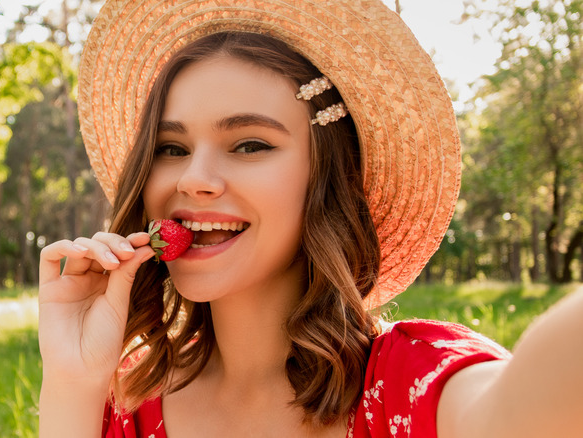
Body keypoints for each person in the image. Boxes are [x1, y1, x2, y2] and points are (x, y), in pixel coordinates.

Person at [38, 1, 583, 437]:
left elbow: (520, 409)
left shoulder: (408, 388)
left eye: (250, 144)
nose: (192, 178)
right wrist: (72, 380)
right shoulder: (128, 401)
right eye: (171, 147)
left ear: (328, 179)